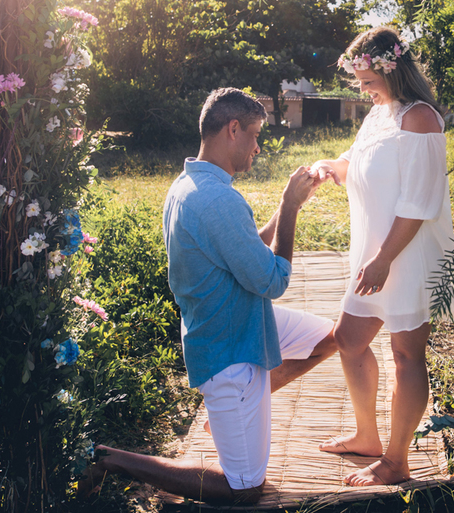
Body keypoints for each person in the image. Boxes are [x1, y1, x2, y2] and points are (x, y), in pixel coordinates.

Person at [84, 88, 337, 504]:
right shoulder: (218, 198)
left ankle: (238, 417)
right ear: (232, 129)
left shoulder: (188, 183)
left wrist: (285, 206)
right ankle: (112, 459)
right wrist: (290, 211)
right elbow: (272, 281)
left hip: (242, 320)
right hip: (229, 347)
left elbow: (245, 249)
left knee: (331, 338)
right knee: (244, 489)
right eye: (254, 135)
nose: (258, 147)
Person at [311, 26, 454, 487]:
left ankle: (396, 462)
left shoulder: (420, 118)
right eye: (358, 80)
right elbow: (360, 161)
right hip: (374, 253)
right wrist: (331, 167)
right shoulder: (380, 114)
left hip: (405, 255)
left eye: (366, 79)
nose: (362, 89)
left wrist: (383, 260)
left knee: (406, 354)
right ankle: (367, 436)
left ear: (391, 67)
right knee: (350, 340)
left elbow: (420, 203)